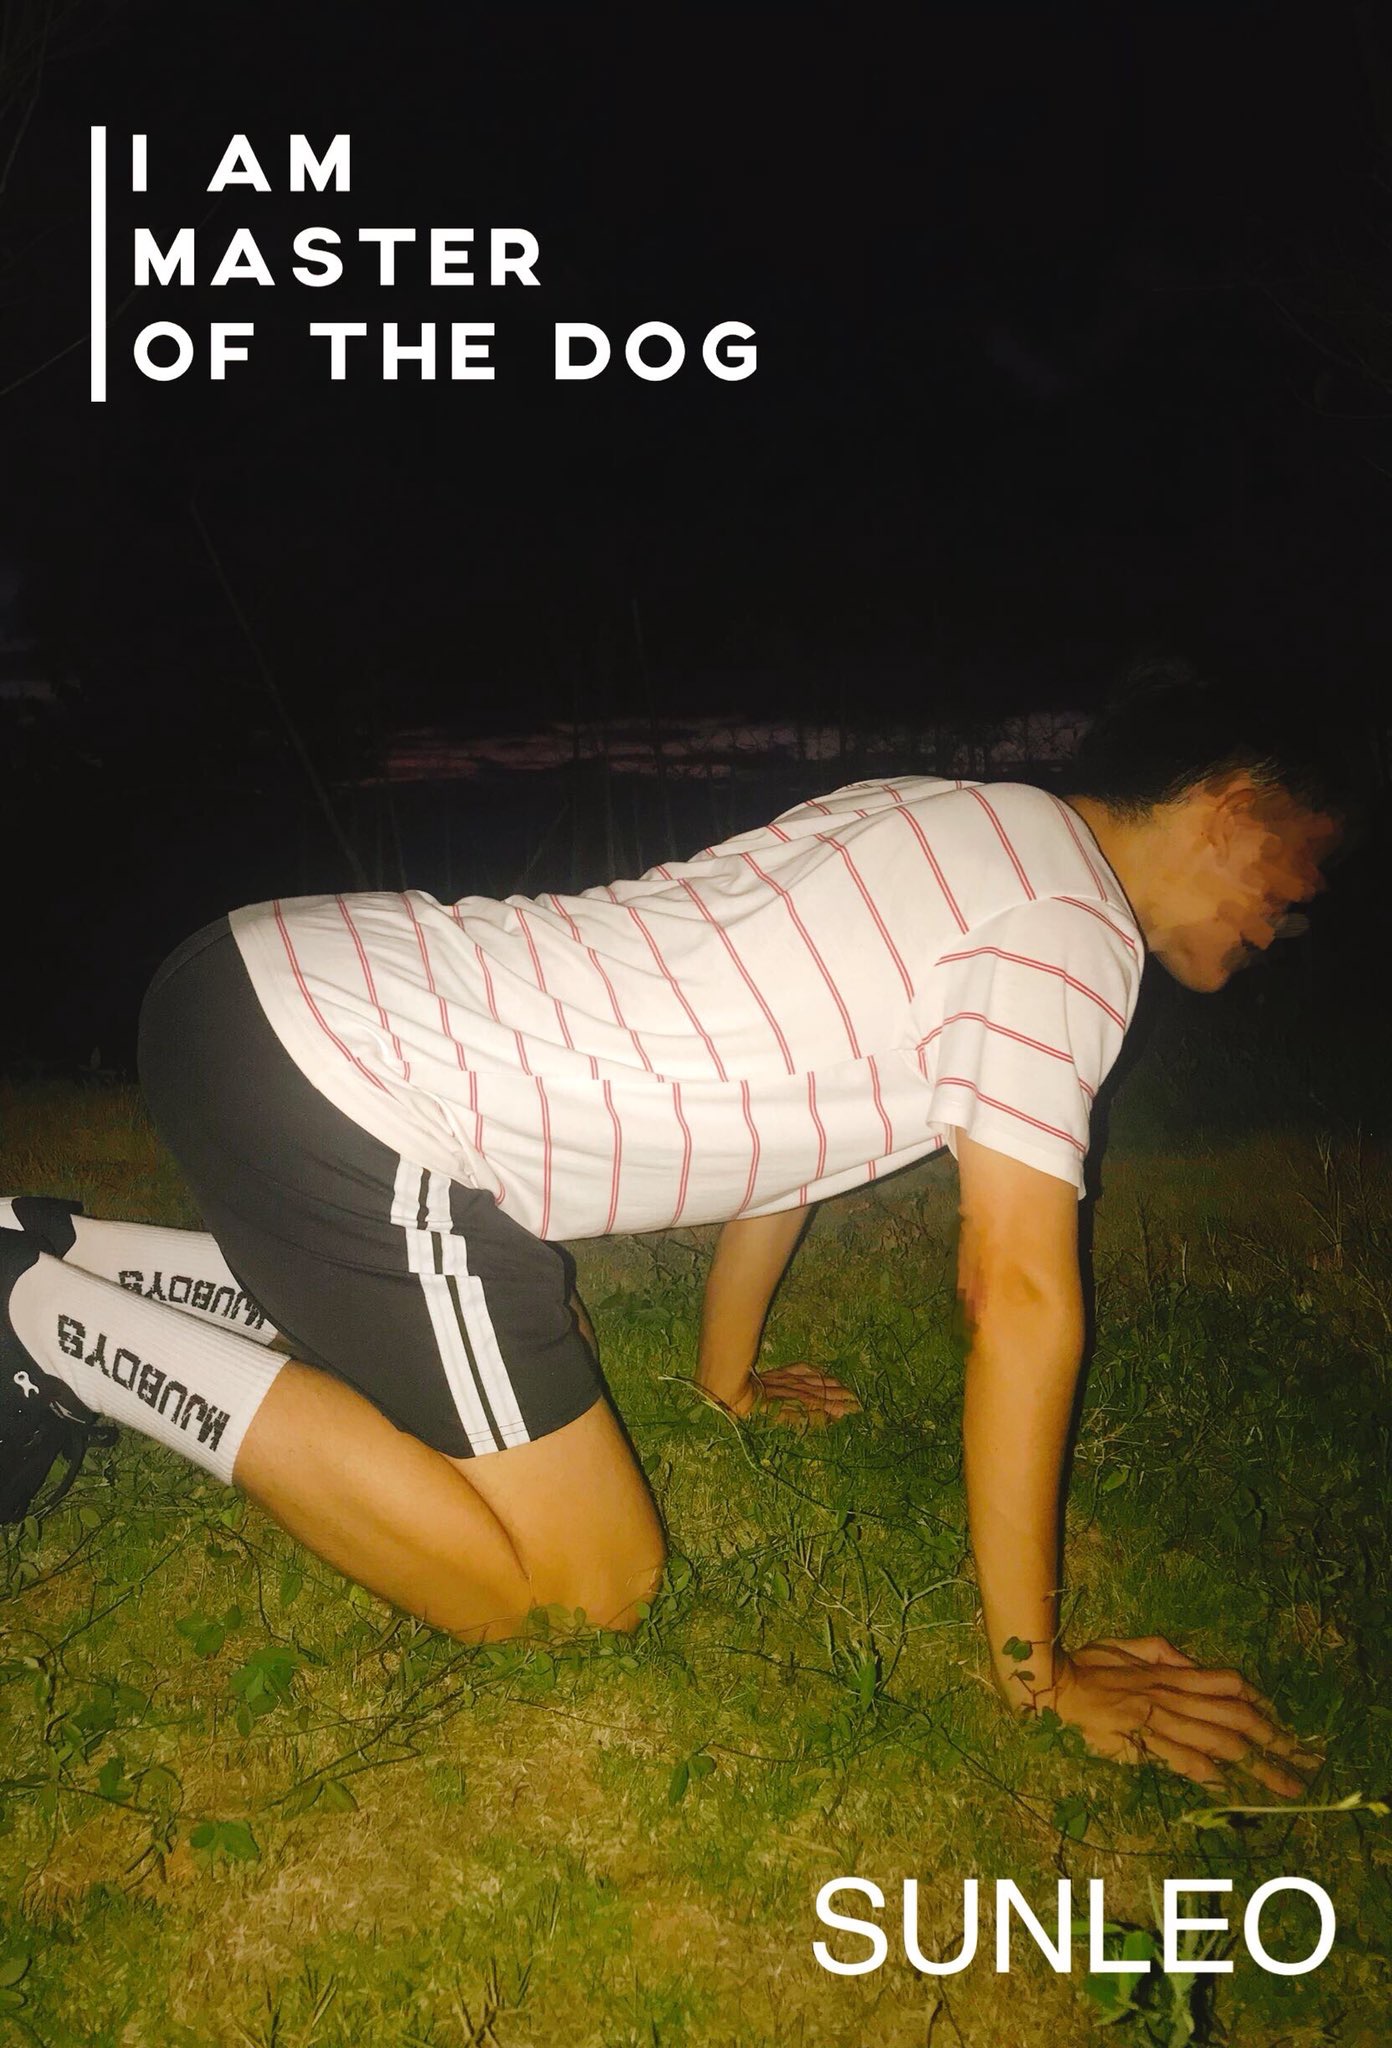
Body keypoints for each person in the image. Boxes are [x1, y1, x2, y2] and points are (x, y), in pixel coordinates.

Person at [0, 663, 1348, 1795]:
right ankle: (46, 1320)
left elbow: (794, 1104)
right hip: (343, 1091)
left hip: (271, 984)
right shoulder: (1070, 927)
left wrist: (726, 1376)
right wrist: (1034, 1676)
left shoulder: (961, 820)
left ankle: (65, 1248)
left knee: (539, 1327)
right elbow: (1021, 1294)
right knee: (586, 1591)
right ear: (1234, 809)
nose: (1295, 919)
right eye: (1303, 873)